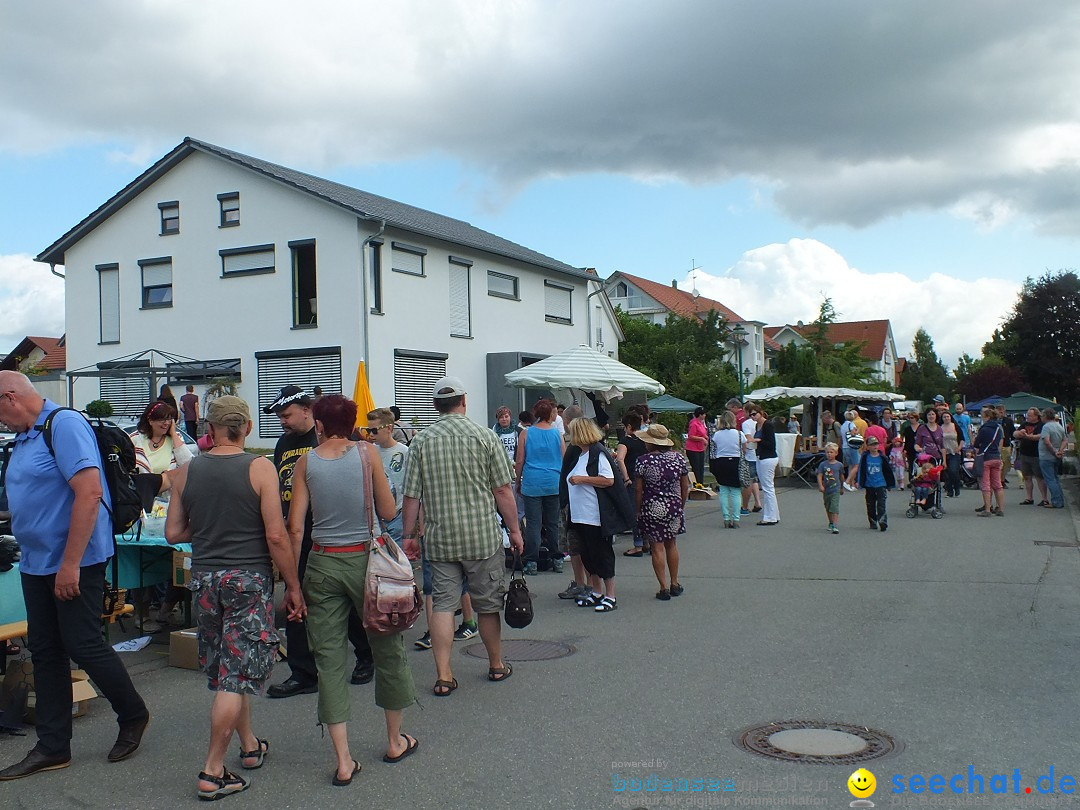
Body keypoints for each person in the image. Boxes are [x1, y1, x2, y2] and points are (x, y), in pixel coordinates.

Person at [0, 372, 150, 782]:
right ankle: (52, 747)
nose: (1, 422)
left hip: (74, 561)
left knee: (83, 643)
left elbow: (89, 491)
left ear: (11, 397)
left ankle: (133, 714)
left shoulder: (62, 425)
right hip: (35, 561)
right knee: (46, 652)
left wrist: (70, 564)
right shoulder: (28, 436)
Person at [165, 396, 305, 800]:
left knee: (229, 666)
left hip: (206, 578)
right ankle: (212, 770)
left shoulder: (186, 472)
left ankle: (248, 746)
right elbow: (276, 535)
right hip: (248, 578)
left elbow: (173, 533)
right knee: (237, 673)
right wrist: (293, 586)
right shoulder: (259, 468)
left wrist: (211, 526)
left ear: (209, 429)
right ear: (244, 426)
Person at [287, 395, 418, 785]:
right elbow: (389, 510)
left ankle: (343, 760)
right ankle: (394, 740)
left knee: (329, 659)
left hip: (323, 562)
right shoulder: (367, 454)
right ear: (353, 424)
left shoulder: (305, 463)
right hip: (367, 560)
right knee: (387, 648)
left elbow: (296, 528)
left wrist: (292, 584)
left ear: (320, 425)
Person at [400, 376, 524, 696]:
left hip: (440, 538)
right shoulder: (485, 436)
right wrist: (514, 529)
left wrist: (408, 535)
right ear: (464, 401)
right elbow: (502, 489)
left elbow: (412, 495)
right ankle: (496, 665)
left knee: (442, 606)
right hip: (482, 537)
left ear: (436, 406)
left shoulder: (422, 441)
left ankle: (444, 675)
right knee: (487, 605)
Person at [263, 385, 374, 698]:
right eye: (280, 416)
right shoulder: (284, 443)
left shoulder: (335, 439)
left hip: (332, 533)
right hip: (295, 531)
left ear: (307, 411)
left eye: (286, 415)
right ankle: (303, 673)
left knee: (348, 602)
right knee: (296, 597)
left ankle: (366, 654)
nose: (282, 421)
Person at [560, 418, 623, 612]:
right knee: (588, 555)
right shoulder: (581, 454)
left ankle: (610, 595)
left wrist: (582, 479)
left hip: (594, 514)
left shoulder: (597, 452)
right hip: (580, 514)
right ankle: (597, 591)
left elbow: (609, 480)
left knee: (602, 554)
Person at [634, 424, 689, 600]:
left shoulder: (643, 461)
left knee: (657, 547)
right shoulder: (678, 459)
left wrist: (637, 509)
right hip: (674, 505)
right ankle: (675, 582)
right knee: (671, 544)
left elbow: (638, 489)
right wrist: (681, 504)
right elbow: (685, 485)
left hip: (651, 507)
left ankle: (663, 587)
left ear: (651, 443)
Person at [515, 399, 564, 576]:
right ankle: (557, 558)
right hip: (553, 481)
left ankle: (531, 561)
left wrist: (519, 481)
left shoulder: (526, 434)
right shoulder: (557, 434)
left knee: (533, 524)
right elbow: (563, 458)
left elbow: (520, 460)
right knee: (552, 523)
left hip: (532, 481)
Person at [616, 411, 650, 557]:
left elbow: (620, 459)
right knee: (646, 511)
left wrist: (626, 478)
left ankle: (638, 545)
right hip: (647, 478)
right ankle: (649, 542)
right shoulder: (646, 440)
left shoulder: (625, 441)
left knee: (635, 512)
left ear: (629, 426)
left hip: (633, 478)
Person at [131, 400, 193, 481]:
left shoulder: (175, 438)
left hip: (168, 492)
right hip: (141, 492)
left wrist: (173, 434)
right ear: (150, 421)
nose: (166, 423)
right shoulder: (135, 439)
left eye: (169, 419)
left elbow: (188, 464)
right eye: (162, 420)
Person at [853, 436, 894, 531]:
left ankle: (882, 521)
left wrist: (889, 484)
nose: (874, 446)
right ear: (867, 446)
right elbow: (861, 470)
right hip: (869, 484)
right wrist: (857, 481)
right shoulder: (865, 457)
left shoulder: (882, 457)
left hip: (881, 484)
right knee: (870, 504)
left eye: (876, 444)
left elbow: (888, 471)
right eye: (871, 445)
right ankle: (873, 521)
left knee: (881, 504)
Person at [710, 411, 743, 529]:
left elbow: (713, 449)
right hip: (735, 461)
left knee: (723, 491)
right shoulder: (739, 434)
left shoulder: (717, 435)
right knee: (735, 492)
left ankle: (726, 518)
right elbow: (744, 448)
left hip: (721, 462)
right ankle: (736, 519)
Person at [748, 408, 780, 526]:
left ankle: (769, 517)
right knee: (768, 487)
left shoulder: (768, 425)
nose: (752, 417)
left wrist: (758, 441)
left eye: (754, 414)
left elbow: (771, 444)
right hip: (761, 457)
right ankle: (773, 515)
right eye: (750, 415)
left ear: (760, 413)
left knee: (767, 488)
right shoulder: (758, 425)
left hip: (768, 458)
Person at [973, 406, 1005, 517]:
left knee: (986, 484)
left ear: (986, 417)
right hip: (996, 456)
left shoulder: (984, 429)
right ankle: (1000, 509)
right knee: (998, 484)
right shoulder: (998, 428)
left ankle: (987, 509)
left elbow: (976, 444)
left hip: (986, 457)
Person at [1015, 407, 1049, 506]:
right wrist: (1018, 433)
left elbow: (1040, 436)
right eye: (1027, 415)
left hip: (1036, 455)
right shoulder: (1024, 424)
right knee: (1027, 477)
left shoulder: (1041, 425)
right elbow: (1015, 433)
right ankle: (1029, 497)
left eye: (1030, 415)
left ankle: (1044, 498)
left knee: (1039, 477)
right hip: (1024, 454)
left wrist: (1027, 436)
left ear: (1036, 416)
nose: (1027, 417)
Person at [1038, 408, 1067, 509]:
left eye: (1042, 415)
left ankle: (1056, 501)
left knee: (1050, 480)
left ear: (1045, 416)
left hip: (1047, 457)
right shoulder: (1059, 425)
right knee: (1055, 479)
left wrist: (1054, 451)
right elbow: (1064, 440)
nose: (1041, 417)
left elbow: (1046, 441)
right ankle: (1060, 500)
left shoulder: (1046, 427)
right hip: (1056, 457)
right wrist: (1060, 451)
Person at [816, 442, 844, 534]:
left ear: (836, 453)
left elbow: (841, 476)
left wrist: (842, 487)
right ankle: (831, 522)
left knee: (834, 507)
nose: (829, 454)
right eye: (827, 452)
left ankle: (835, 525)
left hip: (835, 489)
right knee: (828, 507)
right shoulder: (823, 465)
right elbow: (820, 475)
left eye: (831, 452)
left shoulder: (839, 465)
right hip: (826, 489)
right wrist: (820, 485)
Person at [740, 403, 763, 515]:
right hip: (760, 454)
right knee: (755, 479)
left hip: (750, 453)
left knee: (749, 479)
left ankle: (746, 505)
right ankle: (758, 502)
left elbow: (748, 438)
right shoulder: (761, 422)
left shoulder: (746, 424)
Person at [940, 410, 964, 498]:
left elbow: (962, 439)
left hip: (954, 452)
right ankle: (949, 491)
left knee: (953, 470)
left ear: (951, 417)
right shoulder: (940, 427)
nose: (946, 418)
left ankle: (957, 487)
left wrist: (959, 448)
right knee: (947, 472)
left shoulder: (955, 427)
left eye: (947, 416)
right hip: (944, 452)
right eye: (944, 417)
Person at [685, 407, 709, 489]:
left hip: (700, 448)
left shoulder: (701, 423)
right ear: (700, 415)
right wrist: (702, 439)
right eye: (703, 414)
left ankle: (701, 483)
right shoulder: (693, 423)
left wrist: (705, 437)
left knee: (701, 467)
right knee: (696, 467)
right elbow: (691, 436)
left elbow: (702, 433)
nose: (705, 416)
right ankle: (696, 484)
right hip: (692, 449)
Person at [996, 405, 1014, 486]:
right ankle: (999, 481)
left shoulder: (1008, 421)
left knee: (1006, 464)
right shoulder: (994, 421)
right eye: (999, 412)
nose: (1001, 413)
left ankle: (1002, 478)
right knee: (999, 465)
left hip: (1006, 445)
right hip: (996, 445)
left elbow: (1012, 433)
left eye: (1002, 412)